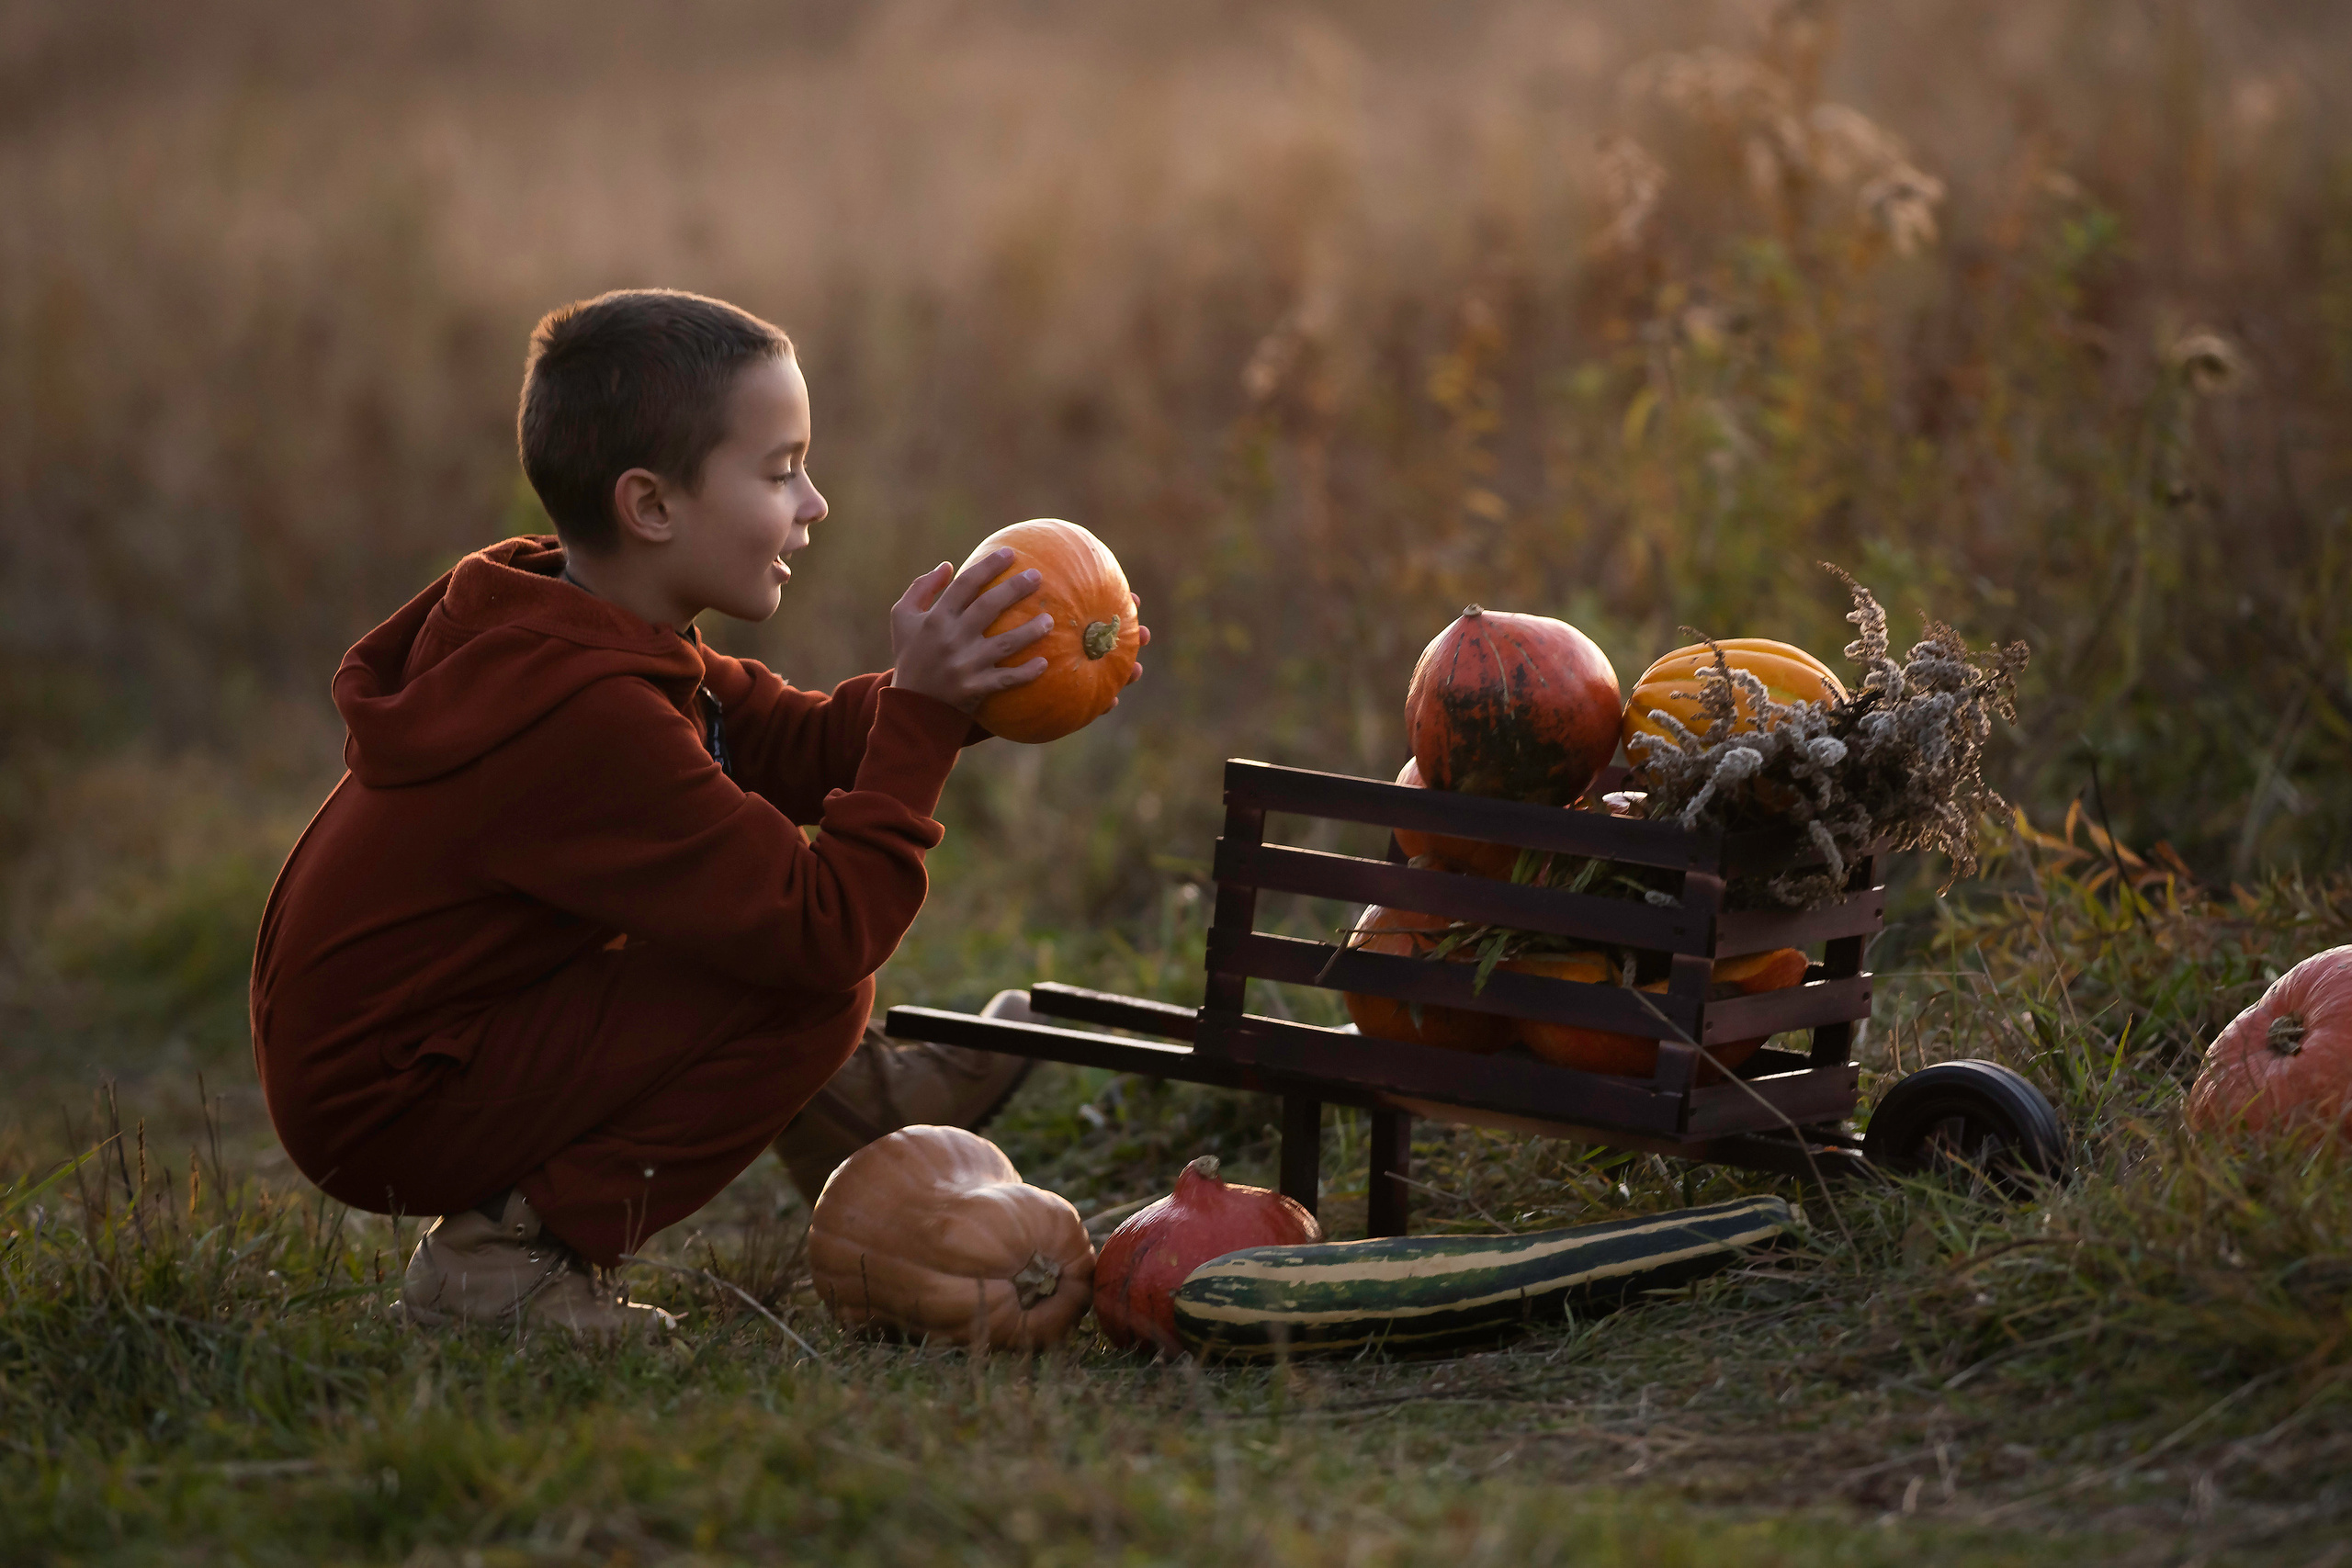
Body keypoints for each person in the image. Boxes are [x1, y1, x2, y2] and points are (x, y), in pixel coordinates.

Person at [248, 288, 1144, 1337]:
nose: (813, 504)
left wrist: (976, 687)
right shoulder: (584, 719)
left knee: (741, 920)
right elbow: (824, 926)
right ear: (652, 507)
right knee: (808, 984)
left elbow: (795, 745)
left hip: (426, 1042)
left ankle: (853, 1108)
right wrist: (919, 716)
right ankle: (503, 1260)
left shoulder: (588, 625)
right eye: (779, 472)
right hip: (393, 1101)